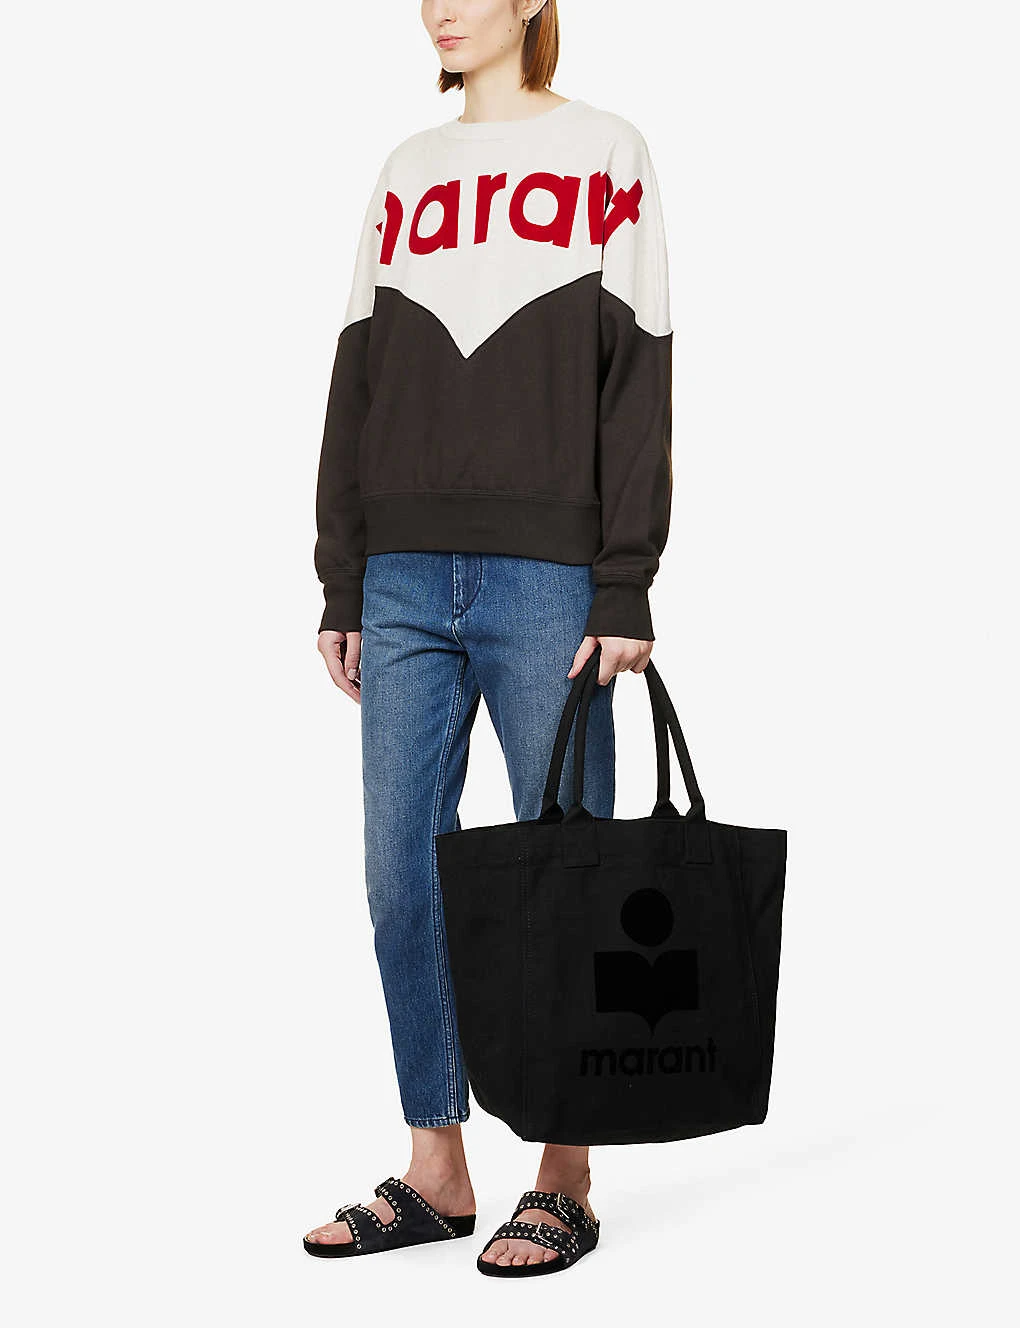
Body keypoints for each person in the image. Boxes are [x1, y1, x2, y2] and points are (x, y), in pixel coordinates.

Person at [304, 0, 673, 1278]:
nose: (443, 8)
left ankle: (564, 1171)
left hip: (550, 579)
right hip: (402, 573)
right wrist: (343, 574)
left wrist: (624, 585)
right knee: (402, 875)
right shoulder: (408, 169)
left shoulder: (608, 151)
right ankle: (437, 1166)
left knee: (566, 869)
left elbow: (640, 379)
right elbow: (356, 376)